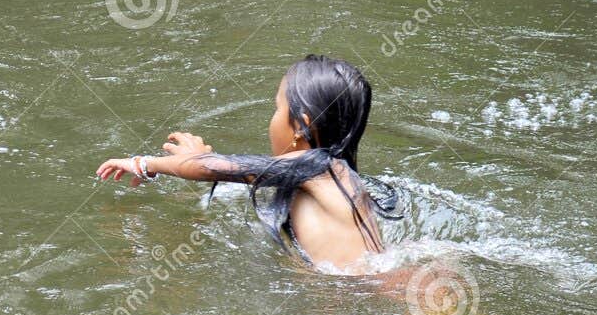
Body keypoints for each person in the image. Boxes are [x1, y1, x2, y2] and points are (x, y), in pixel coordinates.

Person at [95, 55, 400, 272]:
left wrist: (145, 163)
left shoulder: (315, 168)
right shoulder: (340, 176)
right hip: (368, 282)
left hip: (357, 293)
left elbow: (208, 169)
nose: (271, 119)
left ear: (300, 127)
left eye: (276, 108)